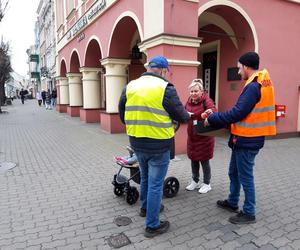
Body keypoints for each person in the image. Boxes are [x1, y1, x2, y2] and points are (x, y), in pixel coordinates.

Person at [119, 55, 190, 238]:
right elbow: (182, 116)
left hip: (136, 142)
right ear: (163, 70)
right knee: (156, 184)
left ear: (148, 67)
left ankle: (145, 208)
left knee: (145, 178)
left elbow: (122, 113)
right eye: (167, 71)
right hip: (159, 145)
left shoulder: (130, 86)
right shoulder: (165, 88)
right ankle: (152, 225)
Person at [204, 52, 276, 224]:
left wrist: (212, 118)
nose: (238, 72)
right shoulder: (256, 83)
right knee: (234, 172)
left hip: (248, 140)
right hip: (243, 139)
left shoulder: (252, 87)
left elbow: (237, 113)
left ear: (246, 66)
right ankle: (232, 202)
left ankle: (249, 212)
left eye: (239, 68)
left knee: (245, 176)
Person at [185, 79, 217, 194]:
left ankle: (207, 183)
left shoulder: (206, 100)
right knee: (193, 159)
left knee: (204, 161)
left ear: (201, 91)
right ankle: (195, 181)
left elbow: (213, 110)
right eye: (191, 91)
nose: (193, 93)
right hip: (192, 136)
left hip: (204, 137)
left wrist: (207, 114)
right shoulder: (188, 101)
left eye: (196, 91)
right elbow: (184, 112)